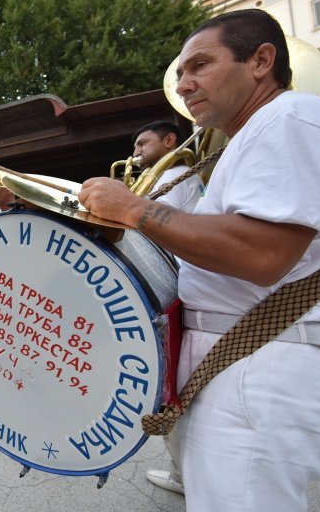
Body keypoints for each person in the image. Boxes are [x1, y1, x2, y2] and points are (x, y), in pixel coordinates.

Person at [78, 9, 320, 511]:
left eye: (199, 65)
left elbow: (262, 252)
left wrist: (134, 208)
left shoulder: (292, 117)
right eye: (180, 72)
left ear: (261, 60)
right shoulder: (259, 132)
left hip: (261, 363)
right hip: (240, 359)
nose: (183, 84)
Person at [132, 121, 203, 495]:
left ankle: (184, 475)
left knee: (167, 391)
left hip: (171, 292)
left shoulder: (175, 175)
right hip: (176, 291)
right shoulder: (169, 178)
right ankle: (184, 471)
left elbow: (142, 228)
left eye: (144, 142)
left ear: (170, 141)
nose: (137, 150)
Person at [131, 121, 204, 213]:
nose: (135, 153)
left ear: (169, 140)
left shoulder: (173, 174)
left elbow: (151, 222)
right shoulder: (181, 172)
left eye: (142, 144)